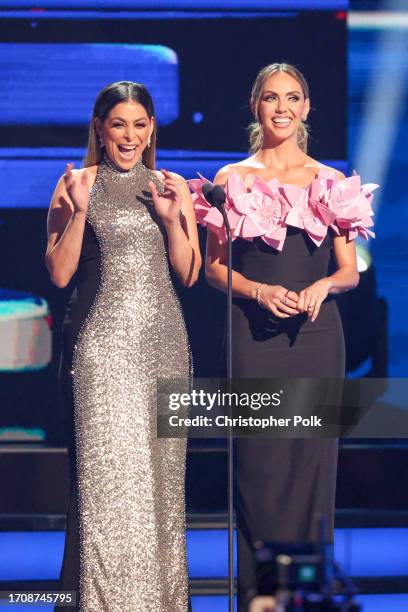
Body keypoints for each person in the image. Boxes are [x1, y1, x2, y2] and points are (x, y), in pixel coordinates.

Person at [192, 63, 375, 610]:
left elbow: (349, 269)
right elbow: (213, 270)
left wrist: (323, 286)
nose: (282, 108)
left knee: (311, 464)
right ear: (255, 106)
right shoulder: (231, 180)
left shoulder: (330, 181)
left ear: (307, 107)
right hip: (254, 334)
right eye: (271, 98)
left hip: (318, 340)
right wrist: (258, 291)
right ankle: (258, 594)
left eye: (292, 98)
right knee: (257, 464)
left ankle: (305, 595)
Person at [45, 80, 201, 611]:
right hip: (102, 349)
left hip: (164, 342)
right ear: (100, 129)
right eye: (118, 125)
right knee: (108, 476)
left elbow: (189, 272)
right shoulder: (75, 183)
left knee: (159, 480)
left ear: (152, 128)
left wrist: (172, 218)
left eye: (139, 125)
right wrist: (81, 209)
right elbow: (61, 274)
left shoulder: (171, 185)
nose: (129, 136)